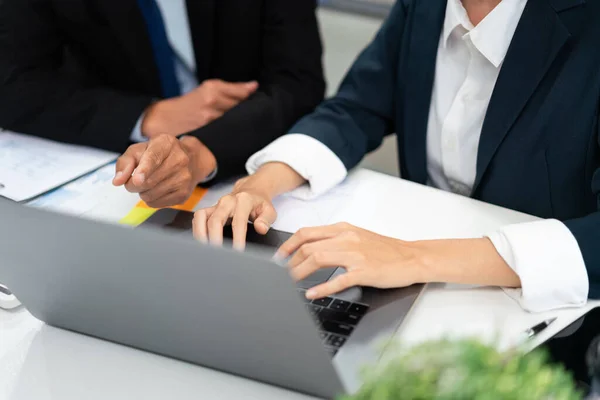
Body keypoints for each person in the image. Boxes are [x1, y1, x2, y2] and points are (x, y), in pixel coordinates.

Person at [193, 0, 600, 313]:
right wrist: (263, 183)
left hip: (550, 314)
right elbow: (357, 107)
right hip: (421, 294)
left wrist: (412, 257)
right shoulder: (424, 6)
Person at [0, 0, 325, 207]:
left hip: (245, 159)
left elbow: (298, 85)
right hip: (105, 166)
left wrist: (204, 149)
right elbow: (12, 84)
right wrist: (146, 115)